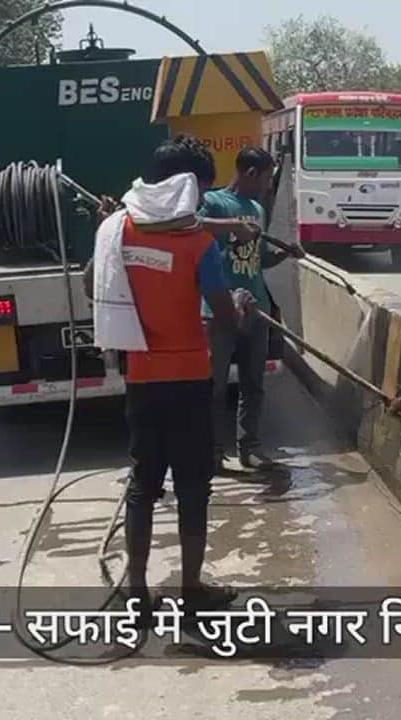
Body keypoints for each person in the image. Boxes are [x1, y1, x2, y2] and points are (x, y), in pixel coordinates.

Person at [92, 135, 245, 614]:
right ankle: (192, 589)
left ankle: (137, 592)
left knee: (143, 483)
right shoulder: (198, 243)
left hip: (141, 378)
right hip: (190, 379)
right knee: (193, 485)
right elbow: (225, 314)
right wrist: (240, 303)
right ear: (187, 185)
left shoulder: (118, 231)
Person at [199, 147, 304, 472]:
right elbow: (193, 225)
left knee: (253, 383)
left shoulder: (257, 208)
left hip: (256, 307)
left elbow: (256, 260)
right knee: (213, 386)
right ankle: (213, 452)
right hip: (220, 308)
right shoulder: (214, 203)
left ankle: (251, 448)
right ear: (251, 173)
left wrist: (284, 254)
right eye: (267, 177)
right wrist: (231, 225)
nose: (267, 185)